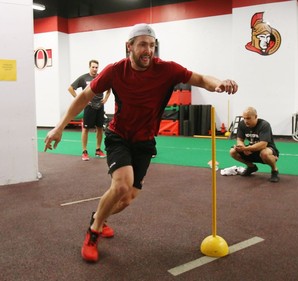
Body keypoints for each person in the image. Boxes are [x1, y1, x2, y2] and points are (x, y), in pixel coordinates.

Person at [44, 23, 238, 263]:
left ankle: (99, 217)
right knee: (122, 186)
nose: (148, 50)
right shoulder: (115, 71)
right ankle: (93, 233)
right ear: (130, 47)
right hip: (119, 136)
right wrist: (59, 127)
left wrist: (218, 83)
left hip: (145, 141)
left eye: (152, 45)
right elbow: (85, 97)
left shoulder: (167, 70)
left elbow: (200, 78)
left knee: (127, 198)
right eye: (143, 45)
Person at [68, 60, 111, 161]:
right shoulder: (84, 78)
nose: (95, 69)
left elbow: (109, 89)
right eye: (93, 67)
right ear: (89, 67)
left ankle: (98, 149)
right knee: (85, 129)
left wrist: (105, 99)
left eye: (96, 67)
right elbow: (70, 88)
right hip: (89, 107)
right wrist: (80, 99)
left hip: (99, 107)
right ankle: (84, 151)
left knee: (100, 128)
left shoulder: (101, 77)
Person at [230, 106, 280, 183]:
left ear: (255, 117)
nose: (246, 121)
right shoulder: (242, 124)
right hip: (251, 148)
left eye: (248, 118)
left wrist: (247, 149)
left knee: (265, 153)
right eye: (244, 118)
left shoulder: (264, 125)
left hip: (267, 148)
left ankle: (274, 171)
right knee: (232, 151)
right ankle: (251, 167)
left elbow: (263, 144)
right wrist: (241, 147)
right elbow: (240, 139)